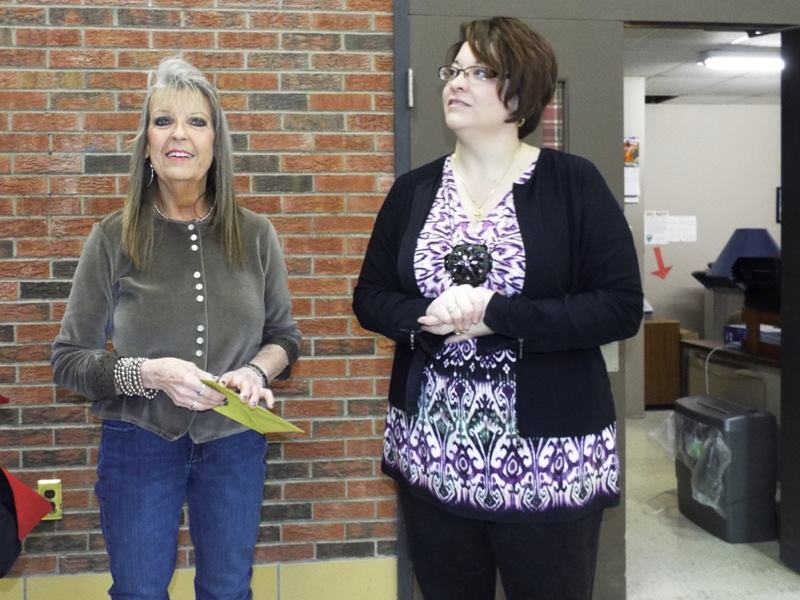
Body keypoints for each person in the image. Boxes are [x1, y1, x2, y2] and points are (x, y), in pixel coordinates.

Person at [352, 17, 642, 600]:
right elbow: (371, 297)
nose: (456, 83)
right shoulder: (413, 191)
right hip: (435, 455)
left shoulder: (573, 184)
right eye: (453, 70)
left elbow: (618, 307)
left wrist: (497, 315)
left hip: (549, 465)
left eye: (479, 72)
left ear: (521, 90)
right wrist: (426, 317)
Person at [51, 57, 301, 599]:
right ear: (146, 145)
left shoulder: (256, 234)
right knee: (139, 592)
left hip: (234, 443)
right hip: (138, 442)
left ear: (216, 142)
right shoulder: (112, 237)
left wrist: (257, 372)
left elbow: (285, 337)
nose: (179, 134)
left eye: (196, 121)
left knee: (228, 590)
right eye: (163, 121)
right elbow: (69, 360)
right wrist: (149, 373)